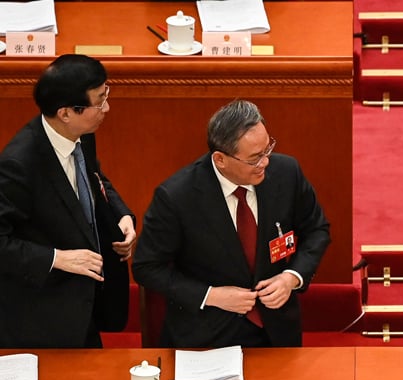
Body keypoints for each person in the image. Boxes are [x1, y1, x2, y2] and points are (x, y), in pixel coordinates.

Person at [132, 99, 330, 348]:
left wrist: (291, 277)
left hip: (277, 331)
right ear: (220, 159)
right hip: (207, 336)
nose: (265, 162)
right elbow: (146, 267)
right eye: (254, 158)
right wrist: (212, 296)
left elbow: (317, 229)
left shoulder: (287, 173)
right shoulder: (176, 197)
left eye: (267, 150)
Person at [0, 54, 136, 348]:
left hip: (87, 303)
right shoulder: (19, 165)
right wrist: (57, 258)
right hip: (44, 315)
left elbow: (95, 178)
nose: (106, 108)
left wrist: (121, 214)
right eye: (99, 101)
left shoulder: (80, 132)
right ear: (66, 113)